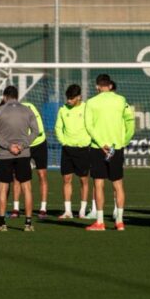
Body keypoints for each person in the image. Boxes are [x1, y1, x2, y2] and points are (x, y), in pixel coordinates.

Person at [85, 74, 135, 231]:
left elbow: (89, 126)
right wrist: (124, 140)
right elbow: (130, 121)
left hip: (98, 148)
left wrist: (101, 144)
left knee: (98, 185)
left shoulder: (91, 102)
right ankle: (119, 221)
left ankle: (100, 222)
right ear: (110, 85)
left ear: (97, 86)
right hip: (116, 148)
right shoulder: (120, 100)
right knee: (118, 184)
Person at [0, 85, 39, 232]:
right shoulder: (27, 110)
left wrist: (8, 146)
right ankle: (28, 224)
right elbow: (36, 131)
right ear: (17, 96)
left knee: (3, 188)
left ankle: (1, 223)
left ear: (5, 97)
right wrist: (22, 145)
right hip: (23, 154)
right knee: (27, 188)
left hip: (5, 155)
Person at [54, 84, 92, 220]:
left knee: (84, 180)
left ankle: (82, 211)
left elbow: (92, 126)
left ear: (78, 97)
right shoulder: (63, 109)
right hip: (67, 149)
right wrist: (64, 142)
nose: (68, 101)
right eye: (67, 98)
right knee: (66, 179)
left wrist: (88, 141)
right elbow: (58, 127)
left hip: (83, 149)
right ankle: (68, 211)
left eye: (71, 98)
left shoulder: (87, 108)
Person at [13, 101, 48, 219]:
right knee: (18, 176)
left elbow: (38, 130)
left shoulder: (29, 107)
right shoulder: (11, 112)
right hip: (24, 145)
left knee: (42, 174)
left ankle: (43, 208)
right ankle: (16, 208)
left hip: (39, 143)